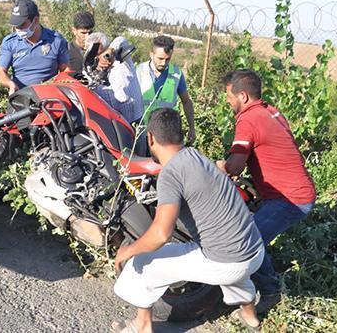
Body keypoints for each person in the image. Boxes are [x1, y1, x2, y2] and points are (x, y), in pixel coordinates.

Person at [112, 108, 265, 333]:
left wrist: (127, 251)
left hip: (226, 262)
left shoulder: (171, 173)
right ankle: (250, 317)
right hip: (254, 251)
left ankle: (141, 326)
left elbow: (161, 234)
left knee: (143, 261)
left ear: (151, 137)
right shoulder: (196, 156)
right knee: (237, 272)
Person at [215, 69, 317, 315]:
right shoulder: (271, 112)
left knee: (247, 241)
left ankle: (270, 291)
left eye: (229, 96)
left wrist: (221, 166)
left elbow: (235, 166)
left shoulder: (248, 118)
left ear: (243, 96)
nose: (227, 101)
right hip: (291, 193)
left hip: (289, 199)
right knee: (250, 233)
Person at [0, 0, 69, 94]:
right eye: (16, 25)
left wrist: (57, 86)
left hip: (50, 97)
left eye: (22, 24)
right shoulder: (10, 42)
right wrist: (10, 84)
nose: (18, 29)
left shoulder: (56, 41)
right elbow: (0, 71)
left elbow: (66, 70)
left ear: (36, 20)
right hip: (21, 98)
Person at [135, 35, 196, 144]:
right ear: (151, 54)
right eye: (160, 58)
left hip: (165, 133)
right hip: (142, 132)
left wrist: (192, 128)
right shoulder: (139, 72)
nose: (164, 63)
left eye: (168, 59)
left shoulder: (176, 74)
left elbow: (186, 101)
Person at [85, 33, 143, 124]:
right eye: (93, 55)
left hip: (135, 119)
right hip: (115, 125)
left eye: (99, 53)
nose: (97, 58)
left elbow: (121, 40)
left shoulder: (121, 59)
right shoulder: (90, 72)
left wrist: (110, 51)